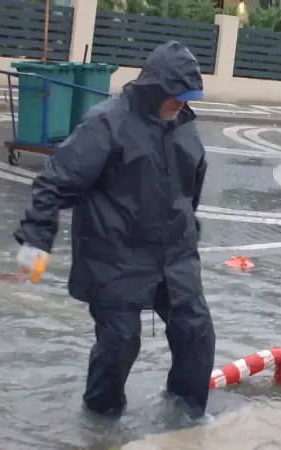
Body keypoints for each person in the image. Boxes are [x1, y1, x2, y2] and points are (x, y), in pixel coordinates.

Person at [12, 40, 215, 421]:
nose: (182, 105)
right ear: (153, 88)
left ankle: (186, 415)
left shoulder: (186, 128)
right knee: (120, 342)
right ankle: (100, 422)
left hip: (174, 257)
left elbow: (192, 189)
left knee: (196, 332)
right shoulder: (106, 124)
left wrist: (188, 234)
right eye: (176, 97)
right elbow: (52, 184)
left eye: (188, 99)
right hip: (114, 256)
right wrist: (35, 245)